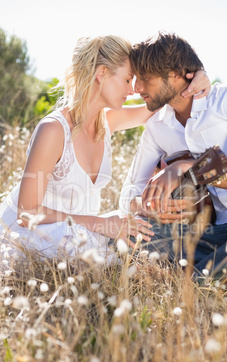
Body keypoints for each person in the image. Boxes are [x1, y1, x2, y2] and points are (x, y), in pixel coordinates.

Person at [0, 35, 210, 262]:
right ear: (102, 74)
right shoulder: (53, 130)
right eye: (128, 80)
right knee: (109, 252)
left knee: (136, 230)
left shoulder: (108, 121)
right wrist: (101, 223)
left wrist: (197, 78)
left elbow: (160, 100)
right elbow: (26, 213)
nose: (133, 90)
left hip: (77, 231)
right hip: (27, 235)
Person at [119, 32, 227, 276]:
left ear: (176, 74)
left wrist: (184, 168)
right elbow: (129, 194)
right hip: (217, 233)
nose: (137, 88)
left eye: (145, 78)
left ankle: (201, 278)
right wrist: (148, 208)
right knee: (133, 239)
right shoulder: (156, 126)